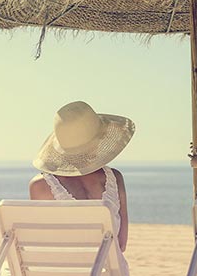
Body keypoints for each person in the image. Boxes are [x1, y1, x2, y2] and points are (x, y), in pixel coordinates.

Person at [28, 101, 134, 275]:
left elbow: (42, 247)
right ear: (100, 139)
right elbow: (121, 244)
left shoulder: (40, 186)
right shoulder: (115, 179)